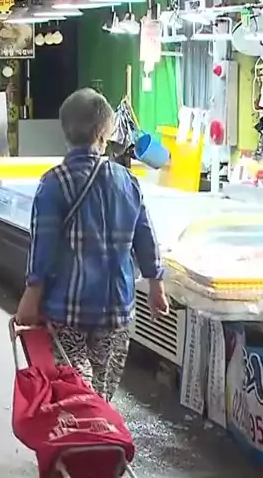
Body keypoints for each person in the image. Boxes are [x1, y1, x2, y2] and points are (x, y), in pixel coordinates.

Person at [15, 88, 167, 402]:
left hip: (66, 309)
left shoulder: (55, 182)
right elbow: (146, 237)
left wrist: (32, 294)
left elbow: (42, 245)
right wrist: (156, 285)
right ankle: (101, 441)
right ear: (105, 132)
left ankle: (75, 444)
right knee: (100, 395)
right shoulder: (127, 180)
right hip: (116, 310)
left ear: (65, 130)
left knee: (70, 391)